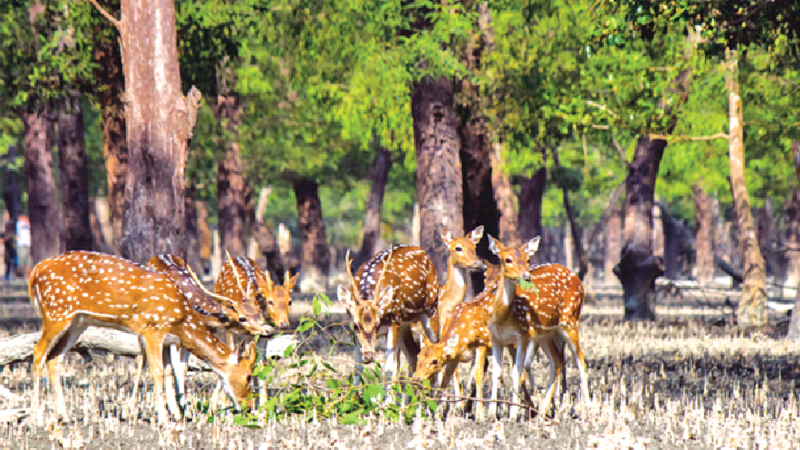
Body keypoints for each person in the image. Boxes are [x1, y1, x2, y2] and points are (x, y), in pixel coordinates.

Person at [16, 215, 30, 280]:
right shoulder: (19, 223)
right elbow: (20, 219)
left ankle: (26, 277)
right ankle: (18, 277)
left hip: (28, 244)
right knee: (20, 263)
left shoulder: (29, 223)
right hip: (21, 244)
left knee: (28, 262)